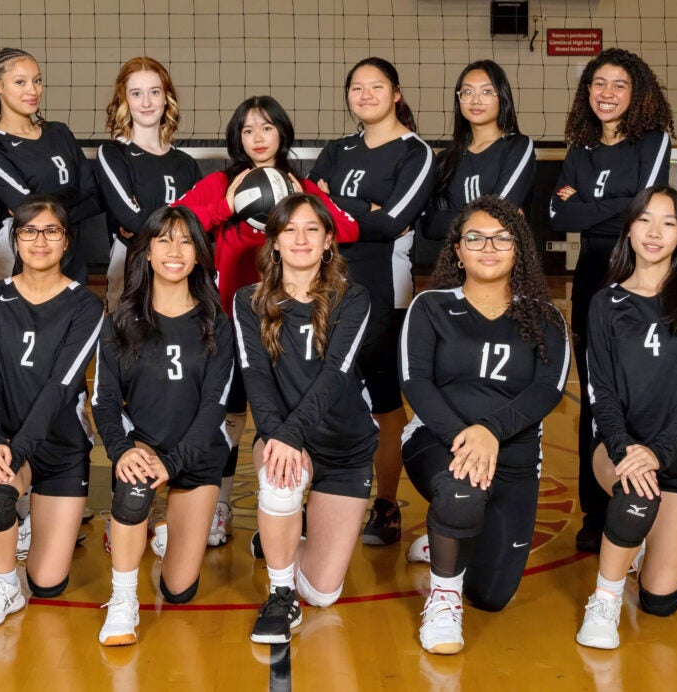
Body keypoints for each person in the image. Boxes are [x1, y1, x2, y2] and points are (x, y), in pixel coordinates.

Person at [177, 95, 358, 548]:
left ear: (283, 134)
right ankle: (218, 505)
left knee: (283, 411)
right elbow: (177, 226)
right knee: (226, 414)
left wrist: (307, 195)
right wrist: (228, 205)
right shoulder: (220, 182)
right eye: (247, 130)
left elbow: (347, 229)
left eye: (267, 129)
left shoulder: (302, 187)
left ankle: (281, 513)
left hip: (287, 326)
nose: (258, 139)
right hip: (225, 319)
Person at [400, 195, 569, 654]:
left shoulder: (544, 315)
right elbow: (416, 382)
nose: (488, 246)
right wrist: (464, 436)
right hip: (439, 441)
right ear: (457, 249)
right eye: (474, 237)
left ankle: (446, 539)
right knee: (460, 492)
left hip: (513, 455)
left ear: (519, 248)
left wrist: (491, 430)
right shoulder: (431, 306)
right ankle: (442, 600)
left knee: (492, 596)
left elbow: (547, 389)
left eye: (501, 237)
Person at [576, 186, 677, 650]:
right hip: (616, 448)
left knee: (661, 602)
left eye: (669, 223)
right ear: (630, 228)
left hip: (676, 451)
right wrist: (628, 451)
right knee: (633, 496)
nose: (654, 232)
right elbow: (601, 393)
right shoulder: (605, 304)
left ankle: (638, 549)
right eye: (645, 220)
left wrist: (656, 452)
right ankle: (604, 600)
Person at [233, 193, 377, 644]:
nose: (300, 238)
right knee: (281, 480)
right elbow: (256, 377)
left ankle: (280, 537)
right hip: (284, 438)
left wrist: (291, 434)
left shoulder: (352, 298)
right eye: (289, 229)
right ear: (273, 241)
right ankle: (279, 595)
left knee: (322, 591)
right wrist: (282, 438)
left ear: (328, 241)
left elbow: (336, 373)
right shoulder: (248, 300)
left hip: (346, 446)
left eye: (312, 229)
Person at [549, 48, 674, 552]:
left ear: (637, 91)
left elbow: (645, 212)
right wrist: (610, 211)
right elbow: (559, 219)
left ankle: (641, 500)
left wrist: (584, 207)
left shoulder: (653, 140)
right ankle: (594, 512)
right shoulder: (580, 147)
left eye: (619, 84)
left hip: (641, 280)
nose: (607, 93)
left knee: (640, 395)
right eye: (598, 83)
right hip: (591, 279)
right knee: (597, 399)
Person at [93, 206, 234, 646]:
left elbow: (215, 408)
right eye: (164, 240)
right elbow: (104, 401)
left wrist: (173, 465)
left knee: (178, 590)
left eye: (186, 241)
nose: (174, 250)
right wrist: (124, 451)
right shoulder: (119, 322)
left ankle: (160, 528)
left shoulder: (217, 323)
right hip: (144, 449)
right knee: (134, 489)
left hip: (195, 456)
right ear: (147, 253)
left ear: (197, 255)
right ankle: (122, 599)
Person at [310, 57, 437, 545]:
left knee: (384, 402)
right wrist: (365, 212)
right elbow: (309, 205)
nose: (364, 95)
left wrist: (338, 206)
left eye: (376, 86)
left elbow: (394, 223)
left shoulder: (415, 152)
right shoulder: (338, 148)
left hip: (383, 290)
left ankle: (386, 504)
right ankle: (320, 499)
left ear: (397, 93)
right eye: (356, 87)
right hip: (326, 285)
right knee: (320, 393)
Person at [0, 195, 103, 628]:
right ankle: (5, 583)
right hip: (7, 441)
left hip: (61, 448)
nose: (39, 241)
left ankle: (28, 519)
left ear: (67, 242)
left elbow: (60, 388)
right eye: (28, 231)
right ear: (15, 239)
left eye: (51, 231)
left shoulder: (86, 306)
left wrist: (19, 451)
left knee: (47, 582)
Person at [0, 48, 102, 285]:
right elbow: (27, 210)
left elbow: (94, 196)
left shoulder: (59, 132)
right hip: (20, 258)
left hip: (70, 255)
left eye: (37, 80)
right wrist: (69, 203)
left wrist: (46, 208)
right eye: (20, 82)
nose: (32, 90)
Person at [97, 56, 201, 310]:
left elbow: (201, 223)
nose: (146, 102)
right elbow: (130, 219)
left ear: (166, 97)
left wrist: (146, 219)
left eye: (154, 92)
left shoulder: (185, 163)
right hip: (131, 271)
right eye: (136, 93)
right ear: (125, 100)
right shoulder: (113, 154)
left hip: (180, 272)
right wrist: (178, 227)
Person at [422, 60, 535, 242]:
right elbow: (430, 226)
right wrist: (487, 216)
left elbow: (501, 213)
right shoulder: (446, 159)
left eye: (487, 91)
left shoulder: (518, 146)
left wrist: (453, 218)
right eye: (467, 91)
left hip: (501, 262)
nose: (476, 100)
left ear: (502, 97)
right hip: (455, 263)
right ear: (459, 99)